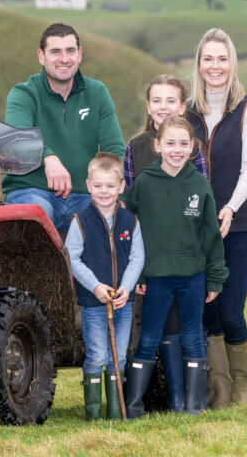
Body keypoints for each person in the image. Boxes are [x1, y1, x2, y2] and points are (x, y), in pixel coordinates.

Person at [123, 116, 228, 418]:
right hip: (156, 277)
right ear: (157, 145)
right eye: (170, 143)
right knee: (149, 337)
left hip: (193, 276)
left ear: (194, 147)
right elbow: (132, 231)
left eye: (184, 144)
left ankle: (193, 406)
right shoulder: (144, 182)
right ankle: (134, 407)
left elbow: (211, 235)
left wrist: (215, 278)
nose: (176, 149)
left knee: (193, 336)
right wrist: (139, 273)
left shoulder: (199, 184)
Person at [185, 28, 247, 408]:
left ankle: (244, 389)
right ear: (198, 65)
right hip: (199, 227)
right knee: (208, 310)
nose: (215, 66)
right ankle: (221, 391)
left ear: (232, 64)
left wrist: (230, 207)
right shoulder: (187, 112)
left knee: (232, 310)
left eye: (222, 58)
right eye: (208, 58)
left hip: (241, 222)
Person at [3, 23, 125, 231]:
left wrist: (115, 191)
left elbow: (114, 150)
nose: (64, 59)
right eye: (55, 52)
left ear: (80, 54)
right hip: (33, 190)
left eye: (70, 50)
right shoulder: (23, 93)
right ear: (41, 56)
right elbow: (18, 137)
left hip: (84, 195)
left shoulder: (97, 92)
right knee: (36, 215)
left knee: (112, 220)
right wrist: (49, 158)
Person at [65, 152, 145, 420]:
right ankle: (94, 414)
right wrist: (95, 286)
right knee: (98, 355)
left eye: (110, 186)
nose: (104, 192)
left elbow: (137, 257)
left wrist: (126, 287)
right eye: (98, 186)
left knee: (118, 357)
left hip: (122, 302)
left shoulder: (130, 220)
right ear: (88, 185)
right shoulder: (80, 221)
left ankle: (115, 413)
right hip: (94, 303)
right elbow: (72, 258)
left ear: (121, 186)